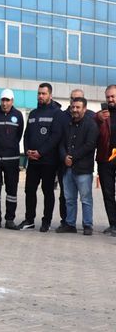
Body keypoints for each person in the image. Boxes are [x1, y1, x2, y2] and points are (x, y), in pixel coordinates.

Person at [19, 83, 63, 232]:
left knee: (47, 191)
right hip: (32, 161)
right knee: (29, 190)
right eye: (39, 93)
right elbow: (26, 135)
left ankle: (46, 221)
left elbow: (55, 137)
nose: (40, 96)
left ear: (50, 95)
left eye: (43, 94)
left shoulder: (57, 113)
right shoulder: (33, 113)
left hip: (49, 161)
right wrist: (27, 151)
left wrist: (40, 152)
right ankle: (29, 219)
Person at [56, 97, 98, 236]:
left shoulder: (91, 125)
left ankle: (87, 225)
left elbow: (90, 145)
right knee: (69, 198)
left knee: (85, 199)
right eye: (73, 107)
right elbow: (61, 143)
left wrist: (72, 157)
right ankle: (70, 224)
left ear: (84, 109)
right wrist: (64, 157)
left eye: (78, 107)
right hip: (67, 168)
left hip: (83, 169)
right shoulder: (67, 124)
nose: (74, 110)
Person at [0, 89, 24, 230]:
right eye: (3, 100)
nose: (5, 103)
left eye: (7, 100)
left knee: (11, 191)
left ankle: (10, 219)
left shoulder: (18, 115)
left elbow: (18, 135)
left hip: (12, 159)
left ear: (12, 101)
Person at [95, 85, 116, 237]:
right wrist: (98, 119)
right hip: (105, 158)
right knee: (108, 193)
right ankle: (113, 224)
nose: (110, 99)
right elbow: (89, 125)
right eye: (108, 97)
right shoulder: (100, 115)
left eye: (113, 96)